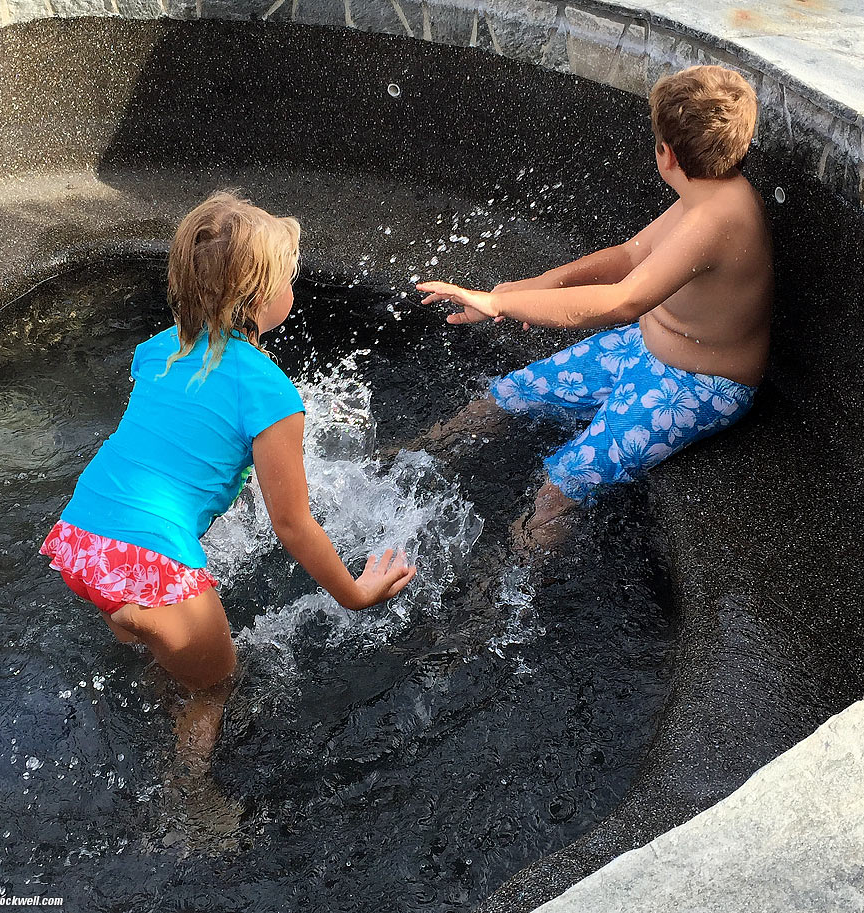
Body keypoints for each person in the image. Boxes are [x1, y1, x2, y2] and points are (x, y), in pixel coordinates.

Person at [40, 191, 417, 701]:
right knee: (216, 688)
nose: (292, 287)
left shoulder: (157, 349)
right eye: (288, 278)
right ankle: (189, 783)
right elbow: (291, 524)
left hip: (83, 539)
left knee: (164, 655)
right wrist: (355, 595)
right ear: (261, 296)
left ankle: (147, 627)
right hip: (156, 567)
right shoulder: (271, 393)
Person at [417, 65, 772, 549]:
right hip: (642, 346)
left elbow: (622, 300)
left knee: (561, 484)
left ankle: (503, 597)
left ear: (665, 154)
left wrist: (500, 300)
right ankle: (406, 463)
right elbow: (627, 257)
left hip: (699, 385)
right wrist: (522, 291)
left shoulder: (718, 219)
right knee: (505, 396)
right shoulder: (704, 194)